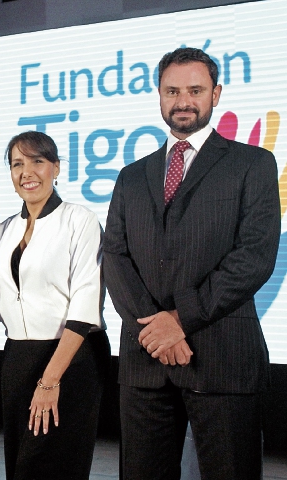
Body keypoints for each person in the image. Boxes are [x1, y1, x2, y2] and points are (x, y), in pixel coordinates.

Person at [103, 47, 280, 479]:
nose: (183, 100)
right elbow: (115, 256)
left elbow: (254, 256)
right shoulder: (131, 175)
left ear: (216, 94)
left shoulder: (253, 164)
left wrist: (180, 319)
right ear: (159, 96)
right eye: (172, 91)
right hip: (145, 362)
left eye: (195, 90)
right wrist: (155, 328)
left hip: (223, 359)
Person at [0, 131, 110, 479]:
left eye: (37, 161)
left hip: (70, 360)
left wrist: (50, 382)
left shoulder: (79, 220)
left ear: (56, 168)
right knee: (20, 466)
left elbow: (85, 303)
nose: (27, 172)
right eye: (17, 164)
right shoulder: (3, 229)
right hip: (18, 359)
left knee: (50, 467)